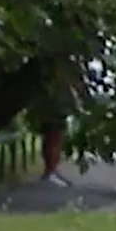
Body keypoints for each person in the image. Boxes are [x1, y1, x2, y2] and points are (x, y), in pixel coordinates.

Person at [30, 57, 80, 188]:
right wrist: (76, 106)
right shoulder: (63, 73)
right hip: (57, 109)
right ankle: (51, 170)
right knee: (54, 140)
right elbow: (70, 89)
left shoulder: (46, 71)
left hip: (47, 109)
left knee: (49, 140)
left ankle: (49, 170)